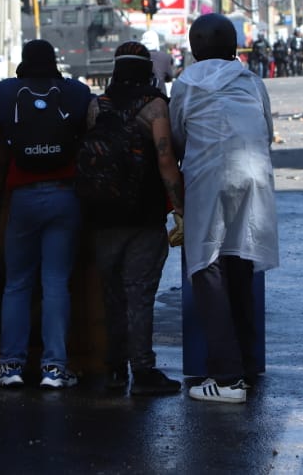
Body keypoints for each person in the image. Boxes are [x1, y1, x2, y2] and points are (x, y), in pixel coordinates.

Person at [170, 13, 279, 405]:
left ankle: (228, 379)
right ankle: (247, 364)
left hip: (209, 178)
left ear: (194, 47)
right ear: (234, 45)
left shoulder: (186, 82)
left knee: (207, 267)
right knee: (240, 262)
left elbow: (177, 137)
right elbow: (266, 129)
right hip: (254, 176)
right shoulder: (250, 80)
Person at [0, 39, 93, 390]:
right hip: (65, 196)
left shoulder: (5, 92)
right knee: (56, 283)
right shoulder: (74, 91)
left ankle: (10, 365)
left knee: (16, 284)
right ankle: (54, 368)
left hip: (23, 198)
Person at [90, 41, 184, 396]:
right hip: (143, 214)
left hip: (102, 215)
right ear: (147, 70)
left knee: (111, 293)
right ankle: (143, 370)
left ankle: (114, 369)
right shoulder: (154, 107)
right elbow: (165, 161)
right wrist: (179, 209)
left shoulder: (97, 105)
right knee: (139, 293)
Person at [140, 29, 175, 94]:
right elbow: (169, 77)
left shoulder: (137, 56)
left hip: (140, 96)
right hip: (160, 95)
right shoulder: (165, 57)